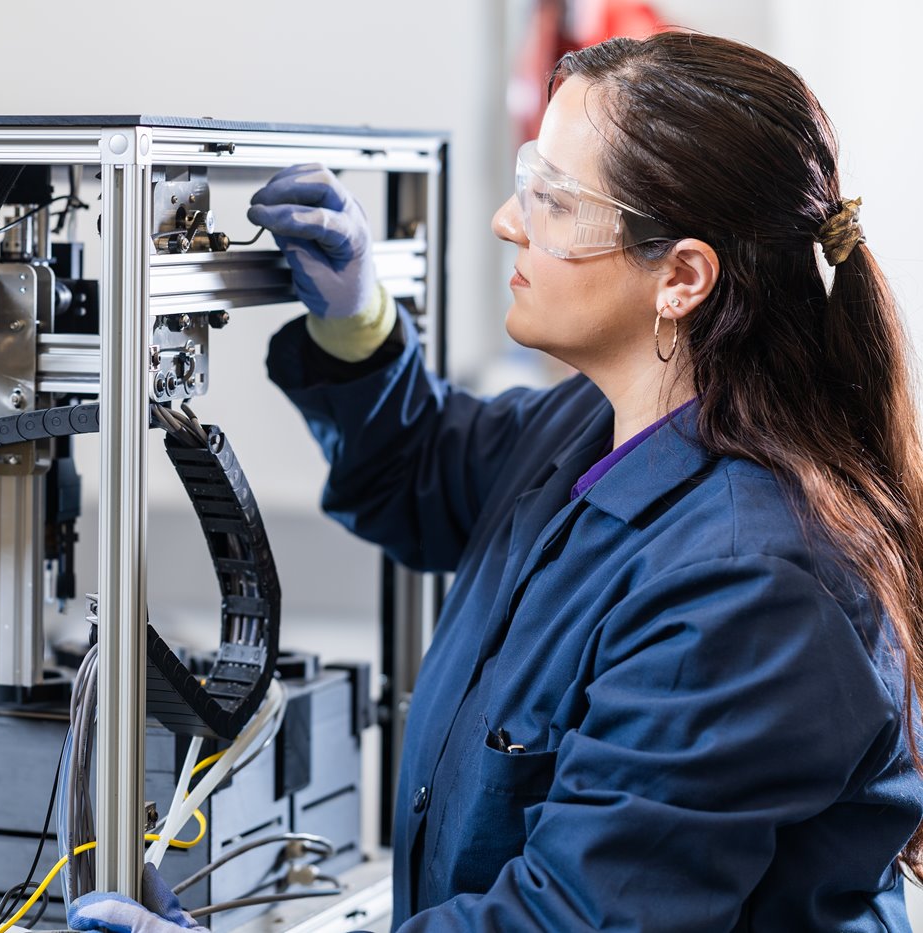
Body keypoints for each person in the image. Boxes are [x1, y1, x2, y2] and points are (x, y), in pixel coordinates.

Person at [70, 31, 923, 931]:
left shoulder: (753, 586)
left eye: (555, 200)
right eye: (529, 181)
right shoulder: (590, 427)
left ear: (679, 277)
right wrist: (360, 322)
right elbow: (426, 465)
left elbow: (573, 920)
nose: (509, 222)